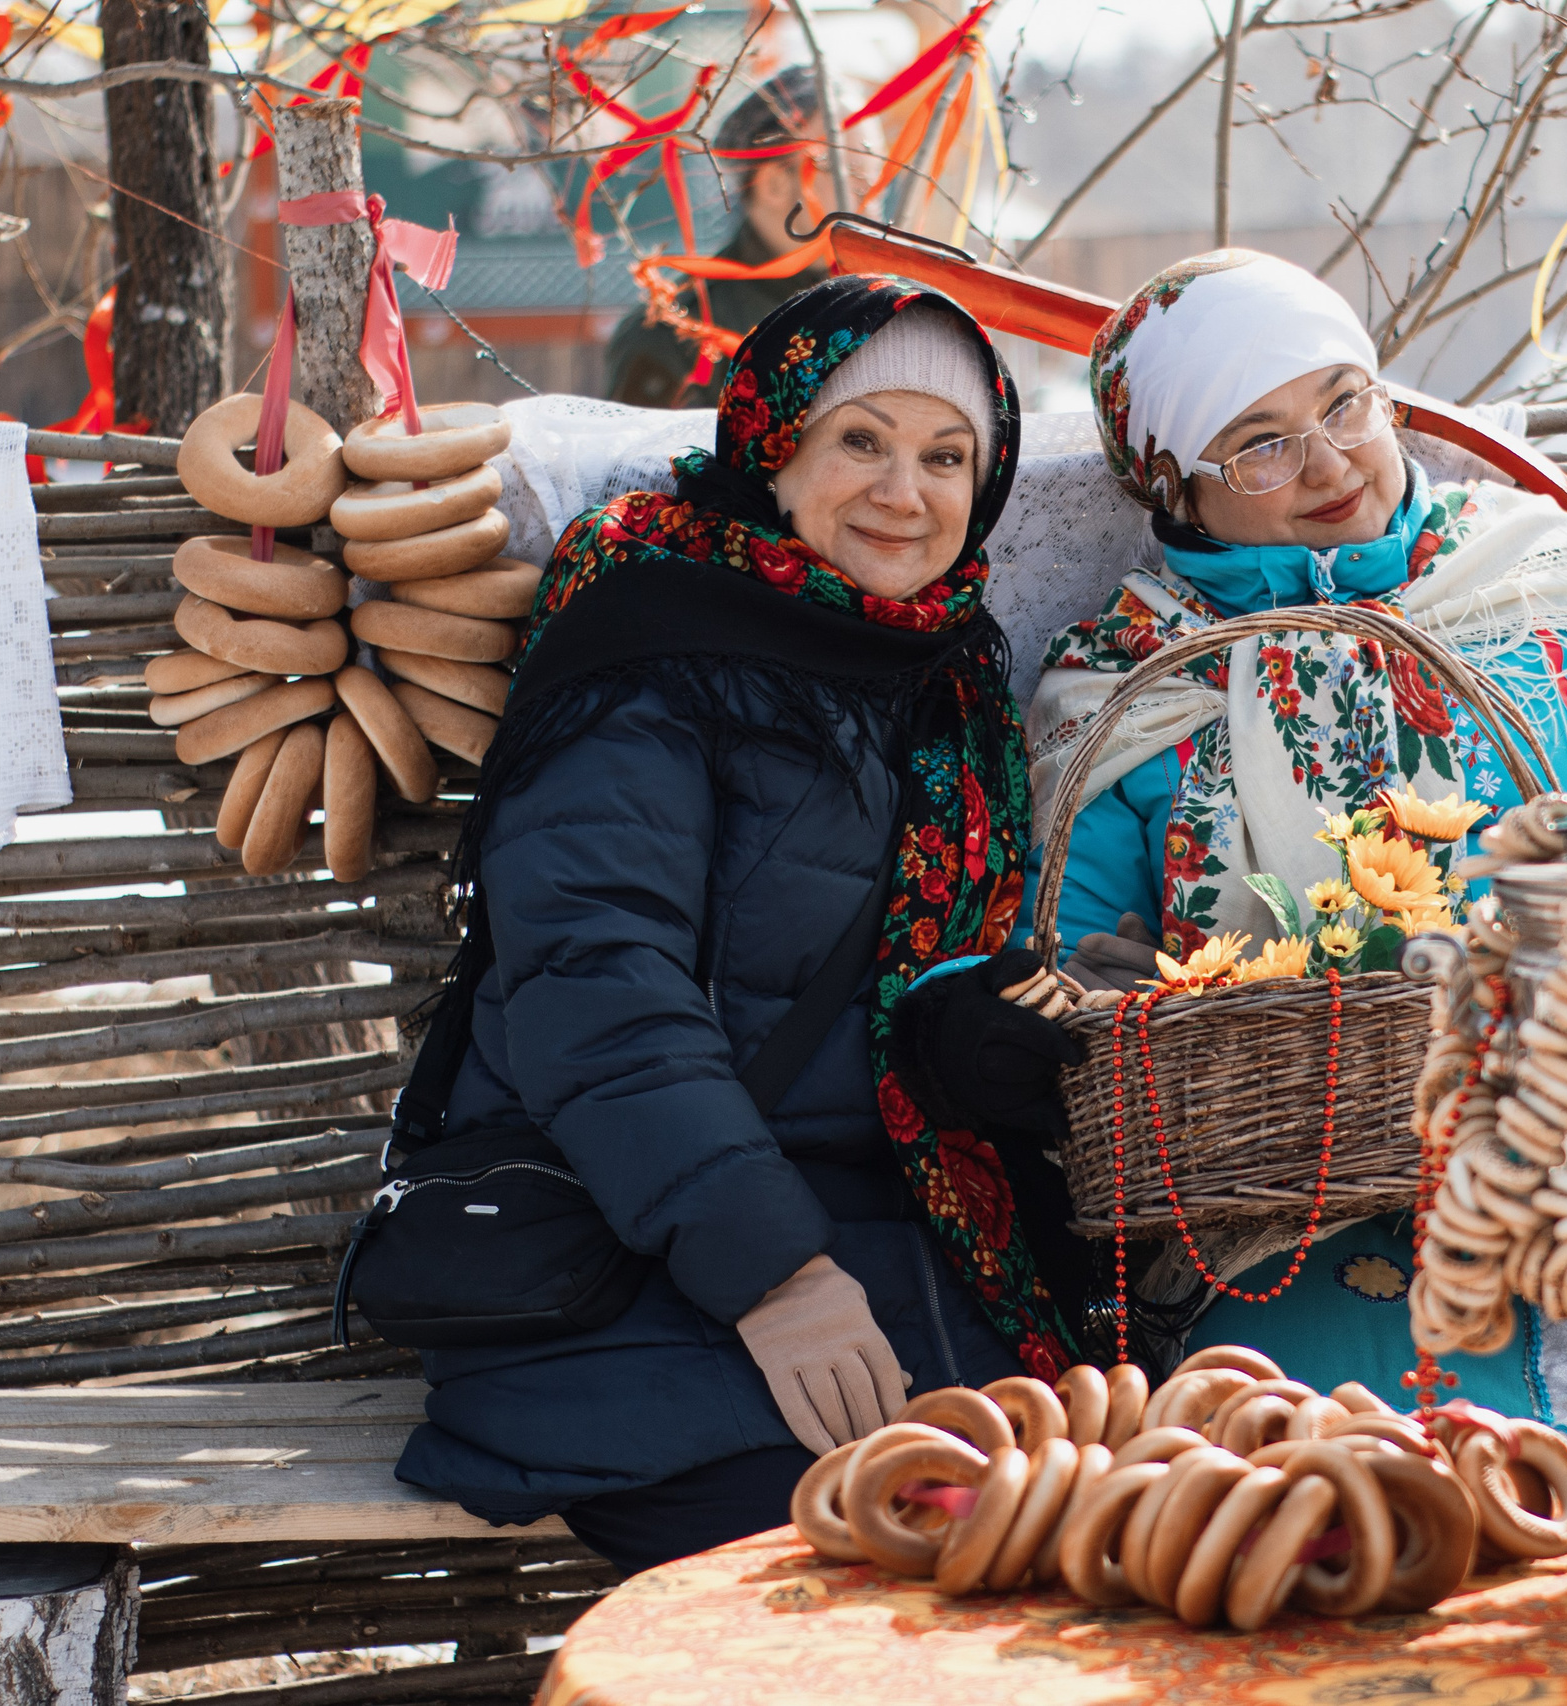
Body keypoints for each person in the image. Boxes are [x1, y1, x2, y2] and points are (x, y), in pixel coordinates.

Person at [1024, 250, 1567, 1470]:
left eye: (1342, 403)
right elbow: (1075, 957)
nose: (1327, 465)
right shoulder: (1126, 683)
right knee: (1320, 1432)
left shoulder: (1540, 573)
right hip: (1303, 1201)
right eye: (1256, 442)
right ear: (1173, 486)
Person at [395, 277, 1092, 1576]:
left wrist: (962, 1027)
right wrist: (779, 1277)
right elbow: (593, 983)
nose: (905, 490)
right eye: (861, 440)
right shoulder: (650, 643)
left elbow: (887, 973)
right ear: (775, 449)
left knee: (1079, 1549)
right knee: (882, 1595)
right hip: (640, 1268)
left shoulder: (942, 676)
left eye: (948, 457)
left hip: (894, 1264)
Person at [603, 68, 836, 410]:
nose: (874, 190)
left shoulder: (898, 312)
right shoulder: (675, 333)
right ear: (775, 184)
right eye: (854, 170)